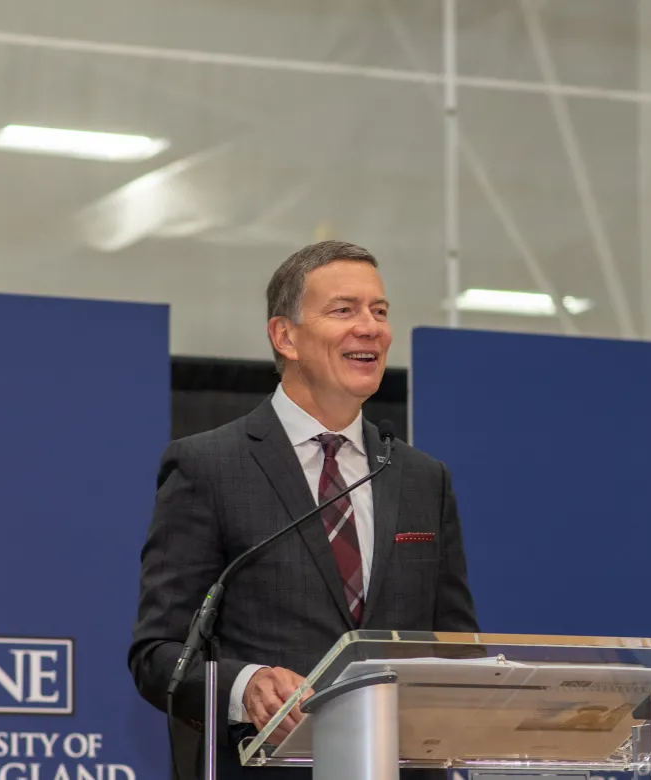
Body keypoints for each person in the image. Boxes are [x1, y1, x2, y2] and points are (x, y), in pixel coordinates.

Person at [129, 240, 481, 779]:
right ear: (284, 336)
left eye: (379, 311)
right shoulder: (209, 466)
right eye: (344, 310)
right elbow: (158, 655)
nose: (371, 328)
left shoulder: (421, 478)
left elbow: (454, 650)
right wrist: (246, 686)